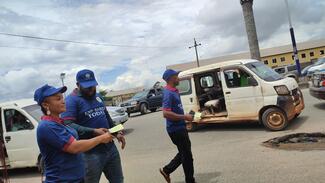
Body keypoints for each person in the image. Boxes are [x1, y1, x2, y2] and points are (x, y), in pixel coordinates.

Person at [34, 84, 113, 183]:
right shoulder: (47, 126)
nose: (63, 101)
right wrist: (101, 138)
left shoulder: (59, 122)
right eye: (58, 99)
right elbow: (74, 147)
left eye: (62, 98)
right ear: (45, 105)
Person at [61, 69, 125, 183]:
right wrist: (93, 131)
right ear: (77, 85)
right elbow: (68, 125)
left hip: (110, 148)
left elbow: (106, 118)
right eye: (87, 86)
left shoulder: (98, 96)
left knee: (118, 180)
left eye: (93, 85)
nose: (91, 89)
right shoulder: (71, 101)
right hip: (90, 153)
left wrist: (117, 131)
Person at [159, 69, 196, 183]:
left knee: (184, 153)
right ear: (171, 78)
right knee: (187, 157)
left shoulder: (174, 91)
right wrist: (185, 117)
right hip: (176, 130)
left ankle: (167, 170)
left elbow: (176, 110)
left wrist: (186, 118)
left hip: (180, 127)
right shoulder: (168, 93)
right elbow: (165, 113)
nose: (179, 78)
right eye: (177, 76)